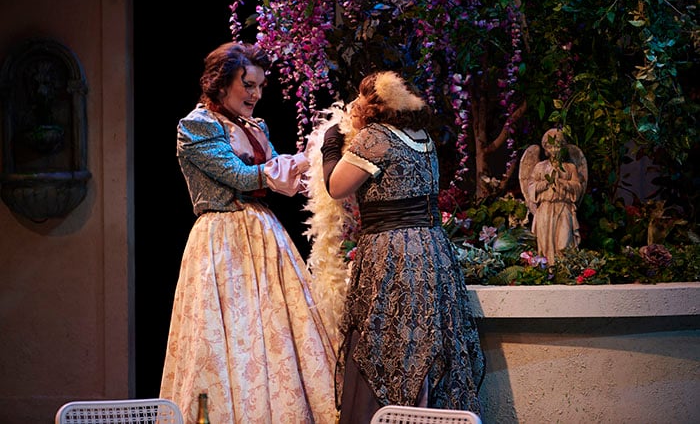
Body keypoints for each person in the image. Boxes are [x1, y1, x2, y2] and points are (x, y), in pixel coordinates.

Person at [160, 41, 337, 424]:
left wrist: (316, 158)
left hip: (263, 232)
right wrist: (295, 161)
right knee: (228, 333)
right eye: (248, 85)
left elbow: (278, 176)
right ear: (221, 83)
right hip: (221, 237)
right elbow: (239, 175)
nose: (256, 95)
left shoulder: (255, 126)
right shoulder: (197, 126)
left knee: (275, 330)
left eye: (260, 86)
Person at [320, 71, 486, 423]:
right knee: (425, 338)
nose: (355, 105)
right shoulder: (422, 138)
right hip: (432, 250)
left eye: (361, 97)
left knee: (388, 339)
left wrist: (330, 146)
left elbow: (336, 186)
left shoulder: (374, 138)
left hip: (392, 253)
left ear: (375, 104)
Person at [519, 128, 587, 264]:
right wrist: (545, 183)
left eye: (558, 146)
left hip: (563, 208)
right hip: (545, 209)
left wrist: (561, 182)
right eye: (550, 146)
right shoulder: (540, 167)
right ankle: (546, 268)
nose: (554, 150)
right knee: (544, 244)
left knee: (564, 242)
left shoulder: (570, 167)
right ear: (546, 149)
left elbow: (578, 187)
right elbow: (531, 187)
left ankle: (563, 269)